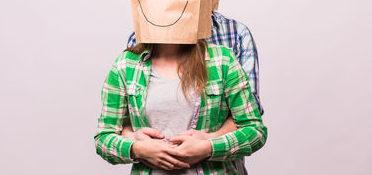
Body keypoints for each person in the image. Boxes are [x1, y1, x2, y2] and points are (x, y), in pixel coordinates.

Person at [94, 40, 267, 174]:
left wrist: (209, 147)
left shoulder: (222, 60)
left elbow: (255, 131)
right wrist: (137, 149)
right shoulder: (125, 65)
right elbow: (103, 138)